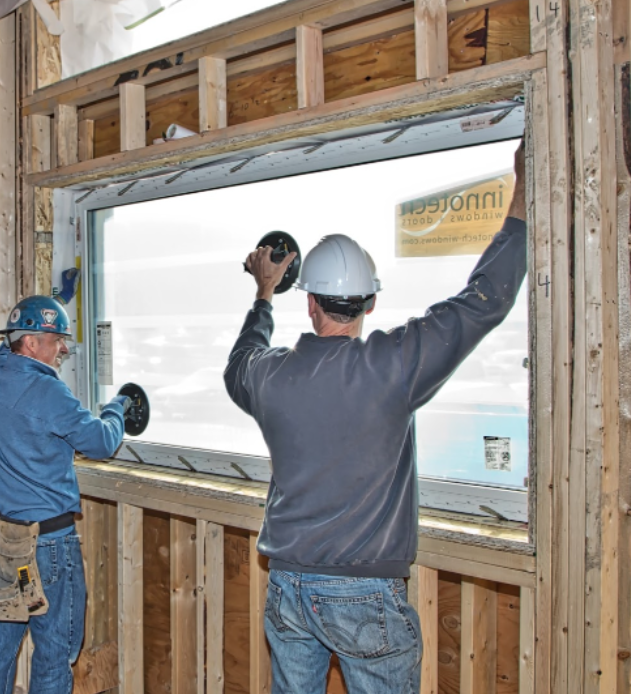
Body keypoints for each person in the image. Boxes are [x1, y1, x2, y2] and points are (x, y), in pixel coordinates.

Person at [224, 141, 529, 694]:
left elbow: (238, 363)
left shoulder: (269, 376)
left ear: (311, 303)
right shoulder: (394, 365)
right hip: (364, 593)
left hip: (287, 585)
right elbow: (483, 301)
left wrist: (264, 291)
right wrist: (523, 195)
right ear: (369, 305)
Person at [0, 295, 131, 694]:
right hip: (48, 544)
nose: (62, 348)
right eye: (57, 339)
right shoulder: (48, 392)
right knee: (53, 654)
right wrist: (118, 407)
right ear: (30, 343)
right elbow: (99, 442)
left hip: (4, 536)